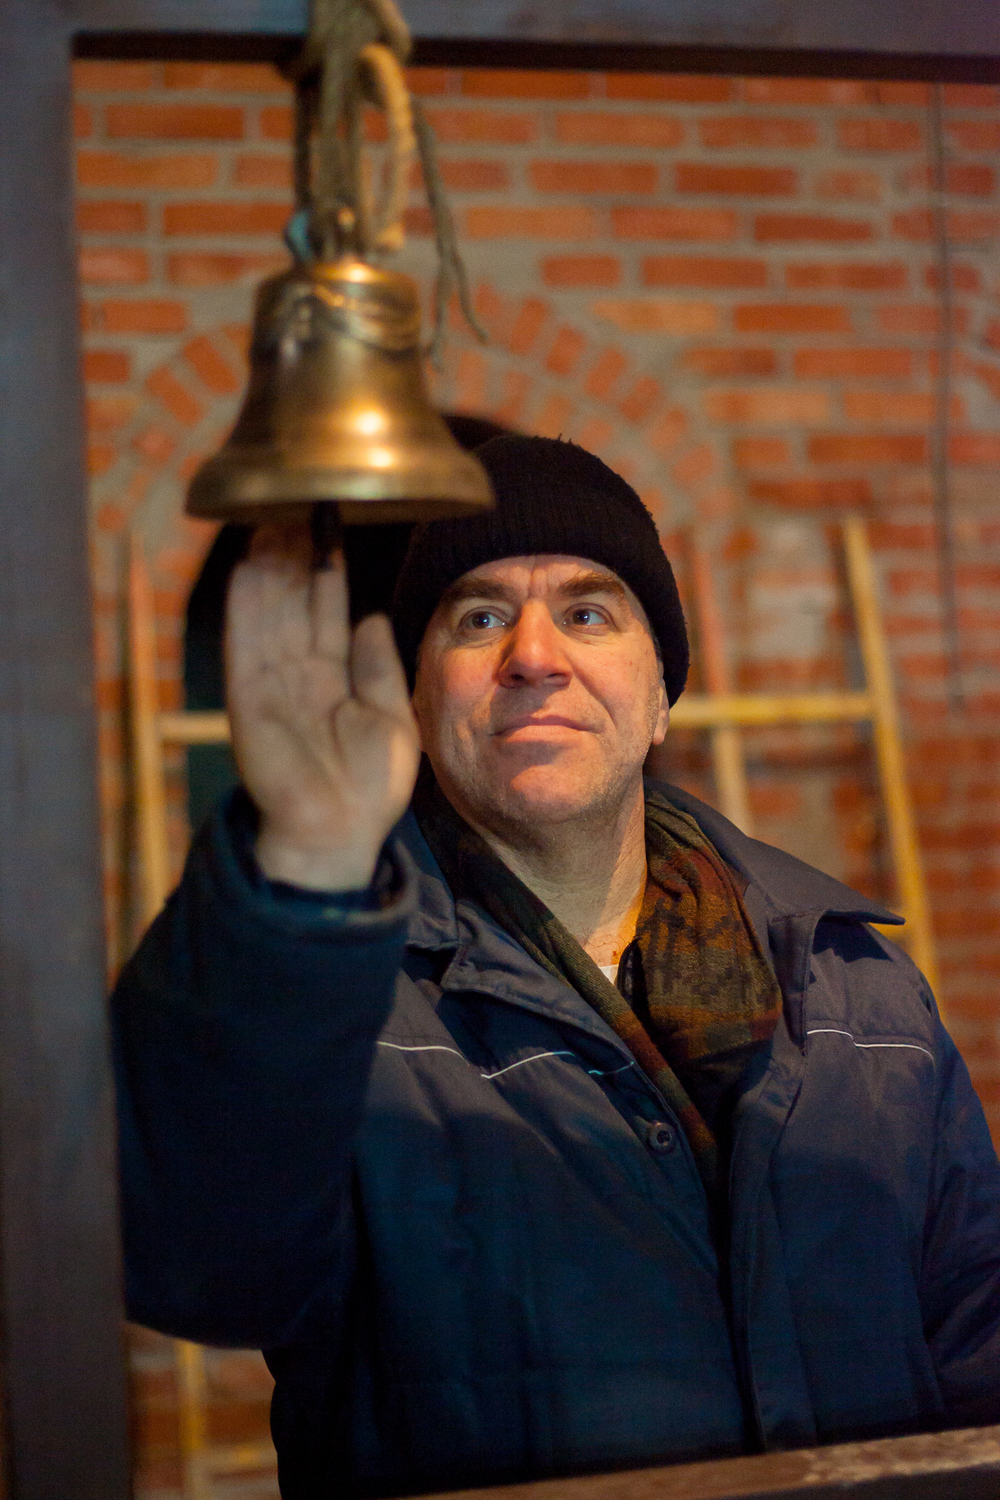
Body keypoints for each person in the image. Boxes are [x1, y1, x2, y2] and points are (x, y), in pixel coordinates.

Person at [113, 435, 1000, 1500]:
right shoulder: (331, 999)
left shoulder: (858, 988)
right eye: (479, 619)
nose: (533, 655)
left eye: (586, 614)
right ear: (417, 700)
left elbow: (977, 1349)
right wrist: (295, 879)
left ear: (660, 695)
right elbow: (191, 1264)